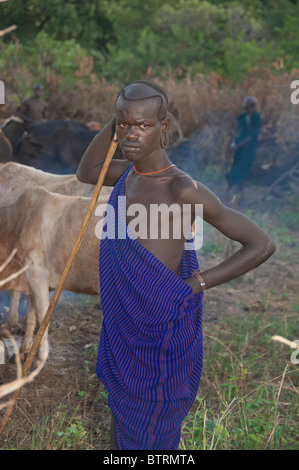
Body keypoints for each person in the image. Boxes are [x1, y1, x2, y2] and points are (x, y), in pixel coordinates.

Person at [76, 80, 275, 450]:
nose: (131, 134)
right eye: (125, 125)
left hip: (160, 331)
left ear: (163, 128)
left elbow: (261, 243)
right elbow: (87, 171)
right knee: (124, 423)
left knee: (152, 427)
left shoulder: (181, 188)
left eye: (144, 125)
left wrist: (195, 283)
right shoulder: (127, 175)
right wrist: (117, 118)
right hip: (125, 328)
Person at [226, 96, 261, 196]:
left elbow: (252, 136)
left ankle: (238, 196)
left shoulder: (256, 117)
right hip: (240, 148)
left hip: (249, 149)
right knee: (235, 169)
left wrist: (238, 145)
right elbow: (238, 132)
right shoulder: (243, 116)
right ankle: (235, 195)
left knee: (242, 171)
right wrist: (233, 144)